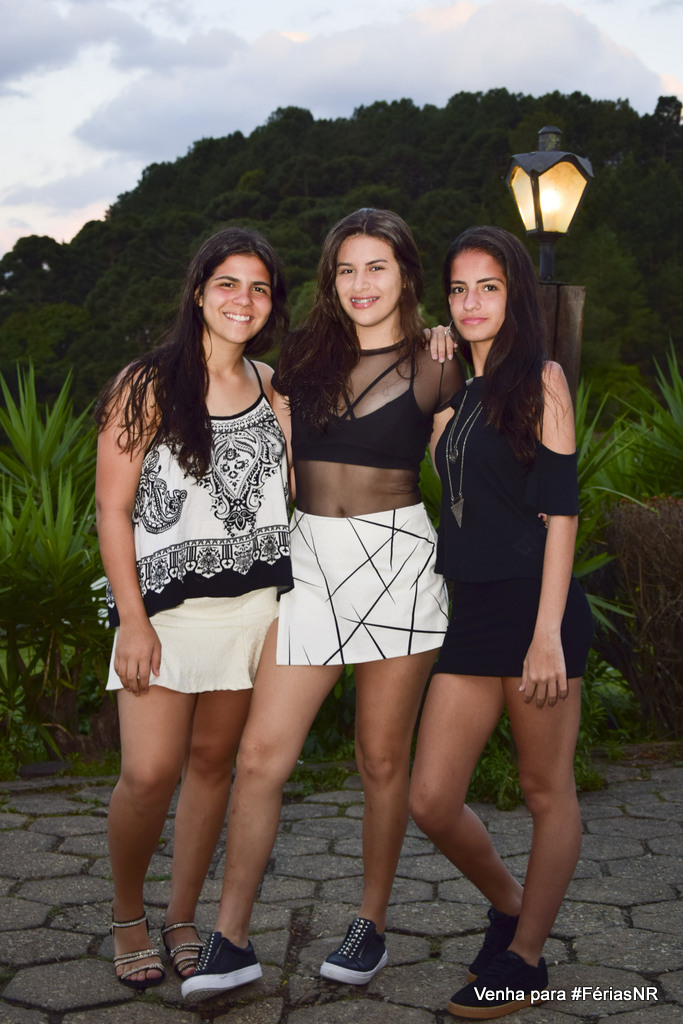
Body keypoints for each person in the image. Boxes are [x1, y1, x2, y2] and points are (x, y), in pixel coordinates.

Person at [181, 208, 463, 1002]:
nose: (360, 283)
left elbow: (463, 471)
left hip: (400, 565)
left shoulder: (437, 362)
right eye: (346, 269)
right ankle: (231, 940)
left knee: (381, 759)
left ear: (405, 275)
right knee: (260, 757)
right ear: (329, 280)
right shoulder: (302, 357)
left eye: (376, 267)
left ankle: (370, 923)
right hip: (308, 563)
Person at [94, 227, 293, 990]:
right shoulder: (146, 384)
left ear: (272, 303)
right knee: (148, 774)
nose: (243, 300)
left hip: (253, 609)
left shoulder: (273, 386)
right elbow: (113, 510)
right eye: (228, 283)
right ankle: (127, 914)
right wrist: (131, 619)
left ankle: (181, 916)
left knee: (213, 766)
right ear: (200, 292)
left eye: (259, 287)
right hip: (164, 613)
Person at [409, 226, 594, 1019]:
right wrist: (437, 363)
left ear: (514, 294)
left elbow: (560, 512)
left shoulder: (541, 380)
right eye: (458, 289)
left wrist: (546, 633)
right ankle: (513, 905)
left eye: (488, 286)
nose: (470, 302)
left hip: (534, 609)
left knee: (544, 788)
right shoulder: (458, 397)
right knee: (430, 799)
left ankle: (524, 959)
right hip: (474, 612)